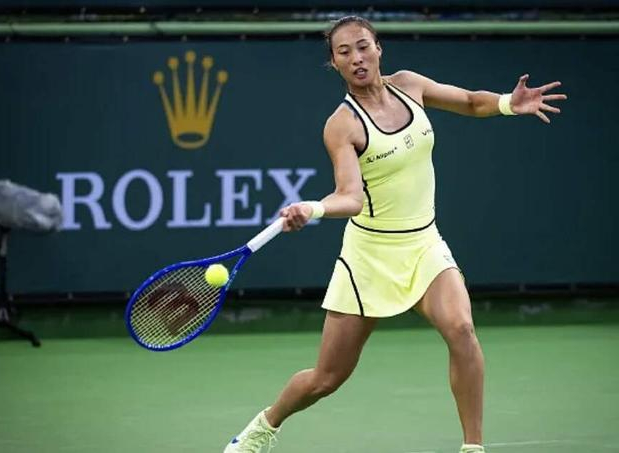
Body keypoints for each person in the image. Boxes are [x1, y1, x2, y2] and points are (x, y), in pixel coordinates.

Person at [224, 15, 566, 453]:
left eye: (363, 46)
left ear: (378, 48)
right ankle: (264, 427)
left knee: (461, 328)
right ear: (335, 63)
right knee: (327, 378)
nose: (356, 57)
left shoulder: (410, 85)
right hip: (369, 256)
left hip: (423, 243)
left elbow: (468, 101)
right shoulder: (342, 125)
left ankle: (473, 447)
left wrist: (506, 103)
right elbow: (350, 197)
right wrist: (313, 208)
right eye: (344, 52)